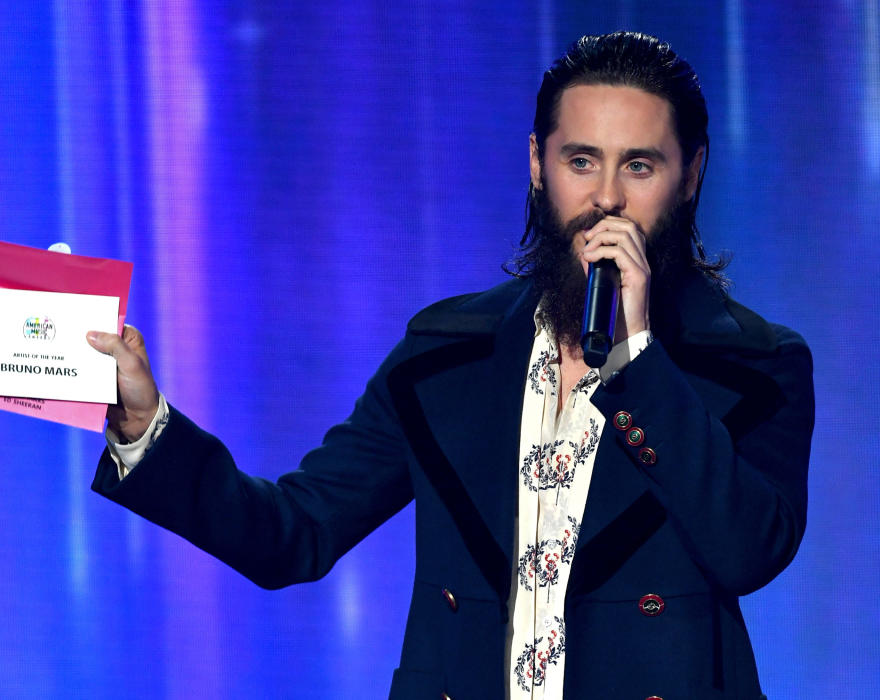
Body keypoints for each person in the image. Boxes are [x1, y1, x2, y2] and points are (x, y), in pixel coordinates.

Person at [86, 32, 814, 700]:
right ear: (538, 165)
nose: (607, 199)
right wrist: (147, 425)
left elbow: (749, 552)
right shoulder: (444, 355)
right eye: (581, 160)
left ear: (691, 176)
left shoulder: (754, 364)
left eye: (641, 165)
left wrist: (635, 360)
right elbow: (295, 533)